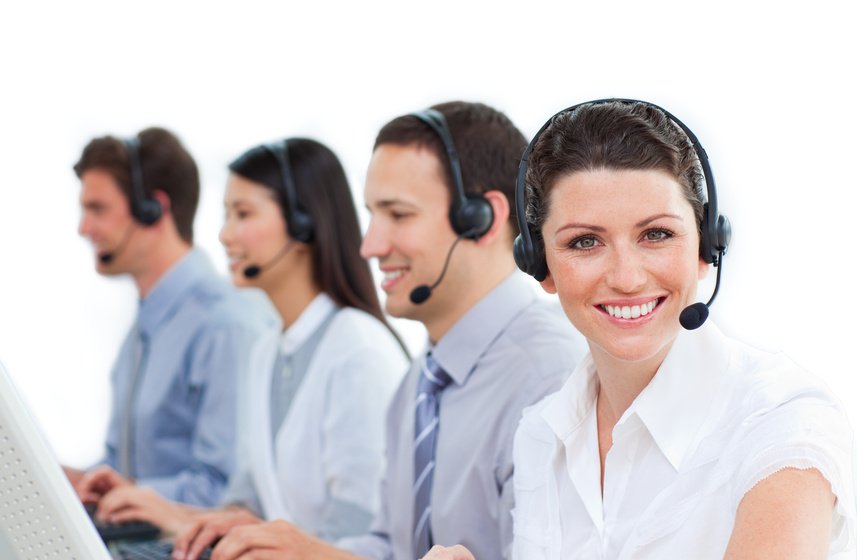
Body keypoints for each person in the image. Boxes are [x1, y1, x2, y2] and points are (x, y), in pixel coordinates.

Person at [424, 99, 856, 559]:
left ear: (707, 248)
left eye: (657, 234)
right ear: (538, 264)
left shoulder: (783, 425)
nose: (627, 278)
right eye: (584, 242)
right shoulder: (541, 434)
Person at [185, 101, 588, 560]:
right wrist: (297, 551)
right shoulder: (420, 380)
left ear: (482, 218)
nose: (370, 246)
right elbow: (392, 548)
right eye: (372, 215)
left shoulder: (549, 379)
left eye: (398, 215)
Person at [90, 138, 409, 553]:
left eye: (243, 214)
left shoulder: (357, 350)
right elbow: (247, 507)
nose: (225, 235)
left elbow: (356, 536)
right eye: (227, 215)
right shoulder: (267, 351)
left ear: (303, 225)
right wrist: (172, 514)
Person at [68, 127, 274, 508]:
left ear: (153, 208)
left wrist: (130, 496)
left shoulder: (225, 323)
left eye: (97, 209)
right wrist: (69, 482)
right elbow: (122, 468)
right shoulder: (140, 332)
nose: (84, 228)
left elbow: (227, 492)